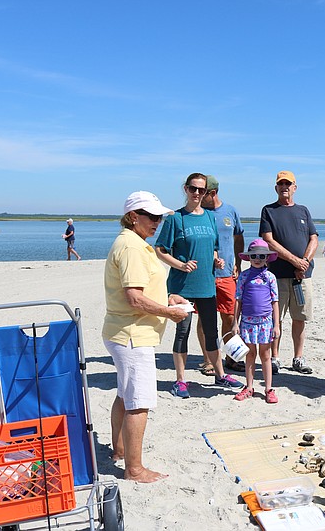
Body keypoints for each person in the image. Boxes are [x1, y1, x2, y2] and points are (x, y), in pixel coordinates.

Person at [102, 191, 189, 483]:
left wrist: (168, 298)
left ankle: (119, 449)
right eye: (151, 216)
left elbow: (141, 290)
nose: (157, 222)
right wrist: (168, 312)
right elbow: (134, 298)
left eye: (160, 217)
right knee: (138, 401)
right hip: (132, 334)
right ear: (133, 217)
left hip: (123, 331)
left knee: (125, 394)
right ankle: (134, 468)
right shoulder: (132, 247)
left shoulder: (134, 243)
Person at [155, 173, 242, 397]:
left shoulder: (209, 218)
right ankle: (180, 381)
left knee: (212, 333)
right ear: (185, 189)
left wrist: (216, 259)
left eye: (201, 190)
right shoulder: (176, 218)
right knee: (182, 332)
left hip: (206, 285)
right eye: (193, 189)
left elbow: (213, 246)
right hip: (182, 287)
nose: (196, 193)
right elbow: (160, 250)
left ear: (206, 193)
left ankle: (221, 375)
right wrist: (180, 265)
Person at [259, 170, 318, 375]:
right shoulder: (269, 210)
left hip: (302, 277)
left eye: (288, 184)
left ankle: (298, 358)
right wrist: (293, 260)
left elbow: (313, 238)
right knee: (276, 318)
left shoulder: (303, 210)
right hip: (277, 274)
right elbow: (268, 240)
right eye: (281, 184)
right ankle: (274, 358)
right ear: (276, 188)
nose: (284, 187)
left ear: (295, 187)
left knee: (300, 318)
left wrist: (305, 262)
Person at [196, 174, 246, 375]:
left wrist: (238, 263)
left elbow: (238, 237)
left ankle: (231, 358)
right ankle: (208, 359)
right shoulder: (199, 213)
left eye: (203, 192)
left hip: (226, 275)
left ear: (213, 193)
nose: (198, 196)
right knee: (204, 318)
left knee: (229, 317)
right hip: (205, 276)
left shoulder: (230, 211)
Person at [231, 239, 281, 403]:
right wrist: (235, 322)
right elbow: (238, 299)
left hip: (266, 322)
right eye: (254, 256)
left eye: (261, 256)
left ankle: (268, 389)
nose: (257, 259)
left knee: (265, 355)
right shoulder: (244, 276)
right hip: (247, 322)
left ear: (267, 257)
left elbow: (275, 302)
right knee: (250, 354)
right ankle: (249, 387)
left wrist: (276, 325)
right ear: (249, 258)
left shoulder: (270, 277)